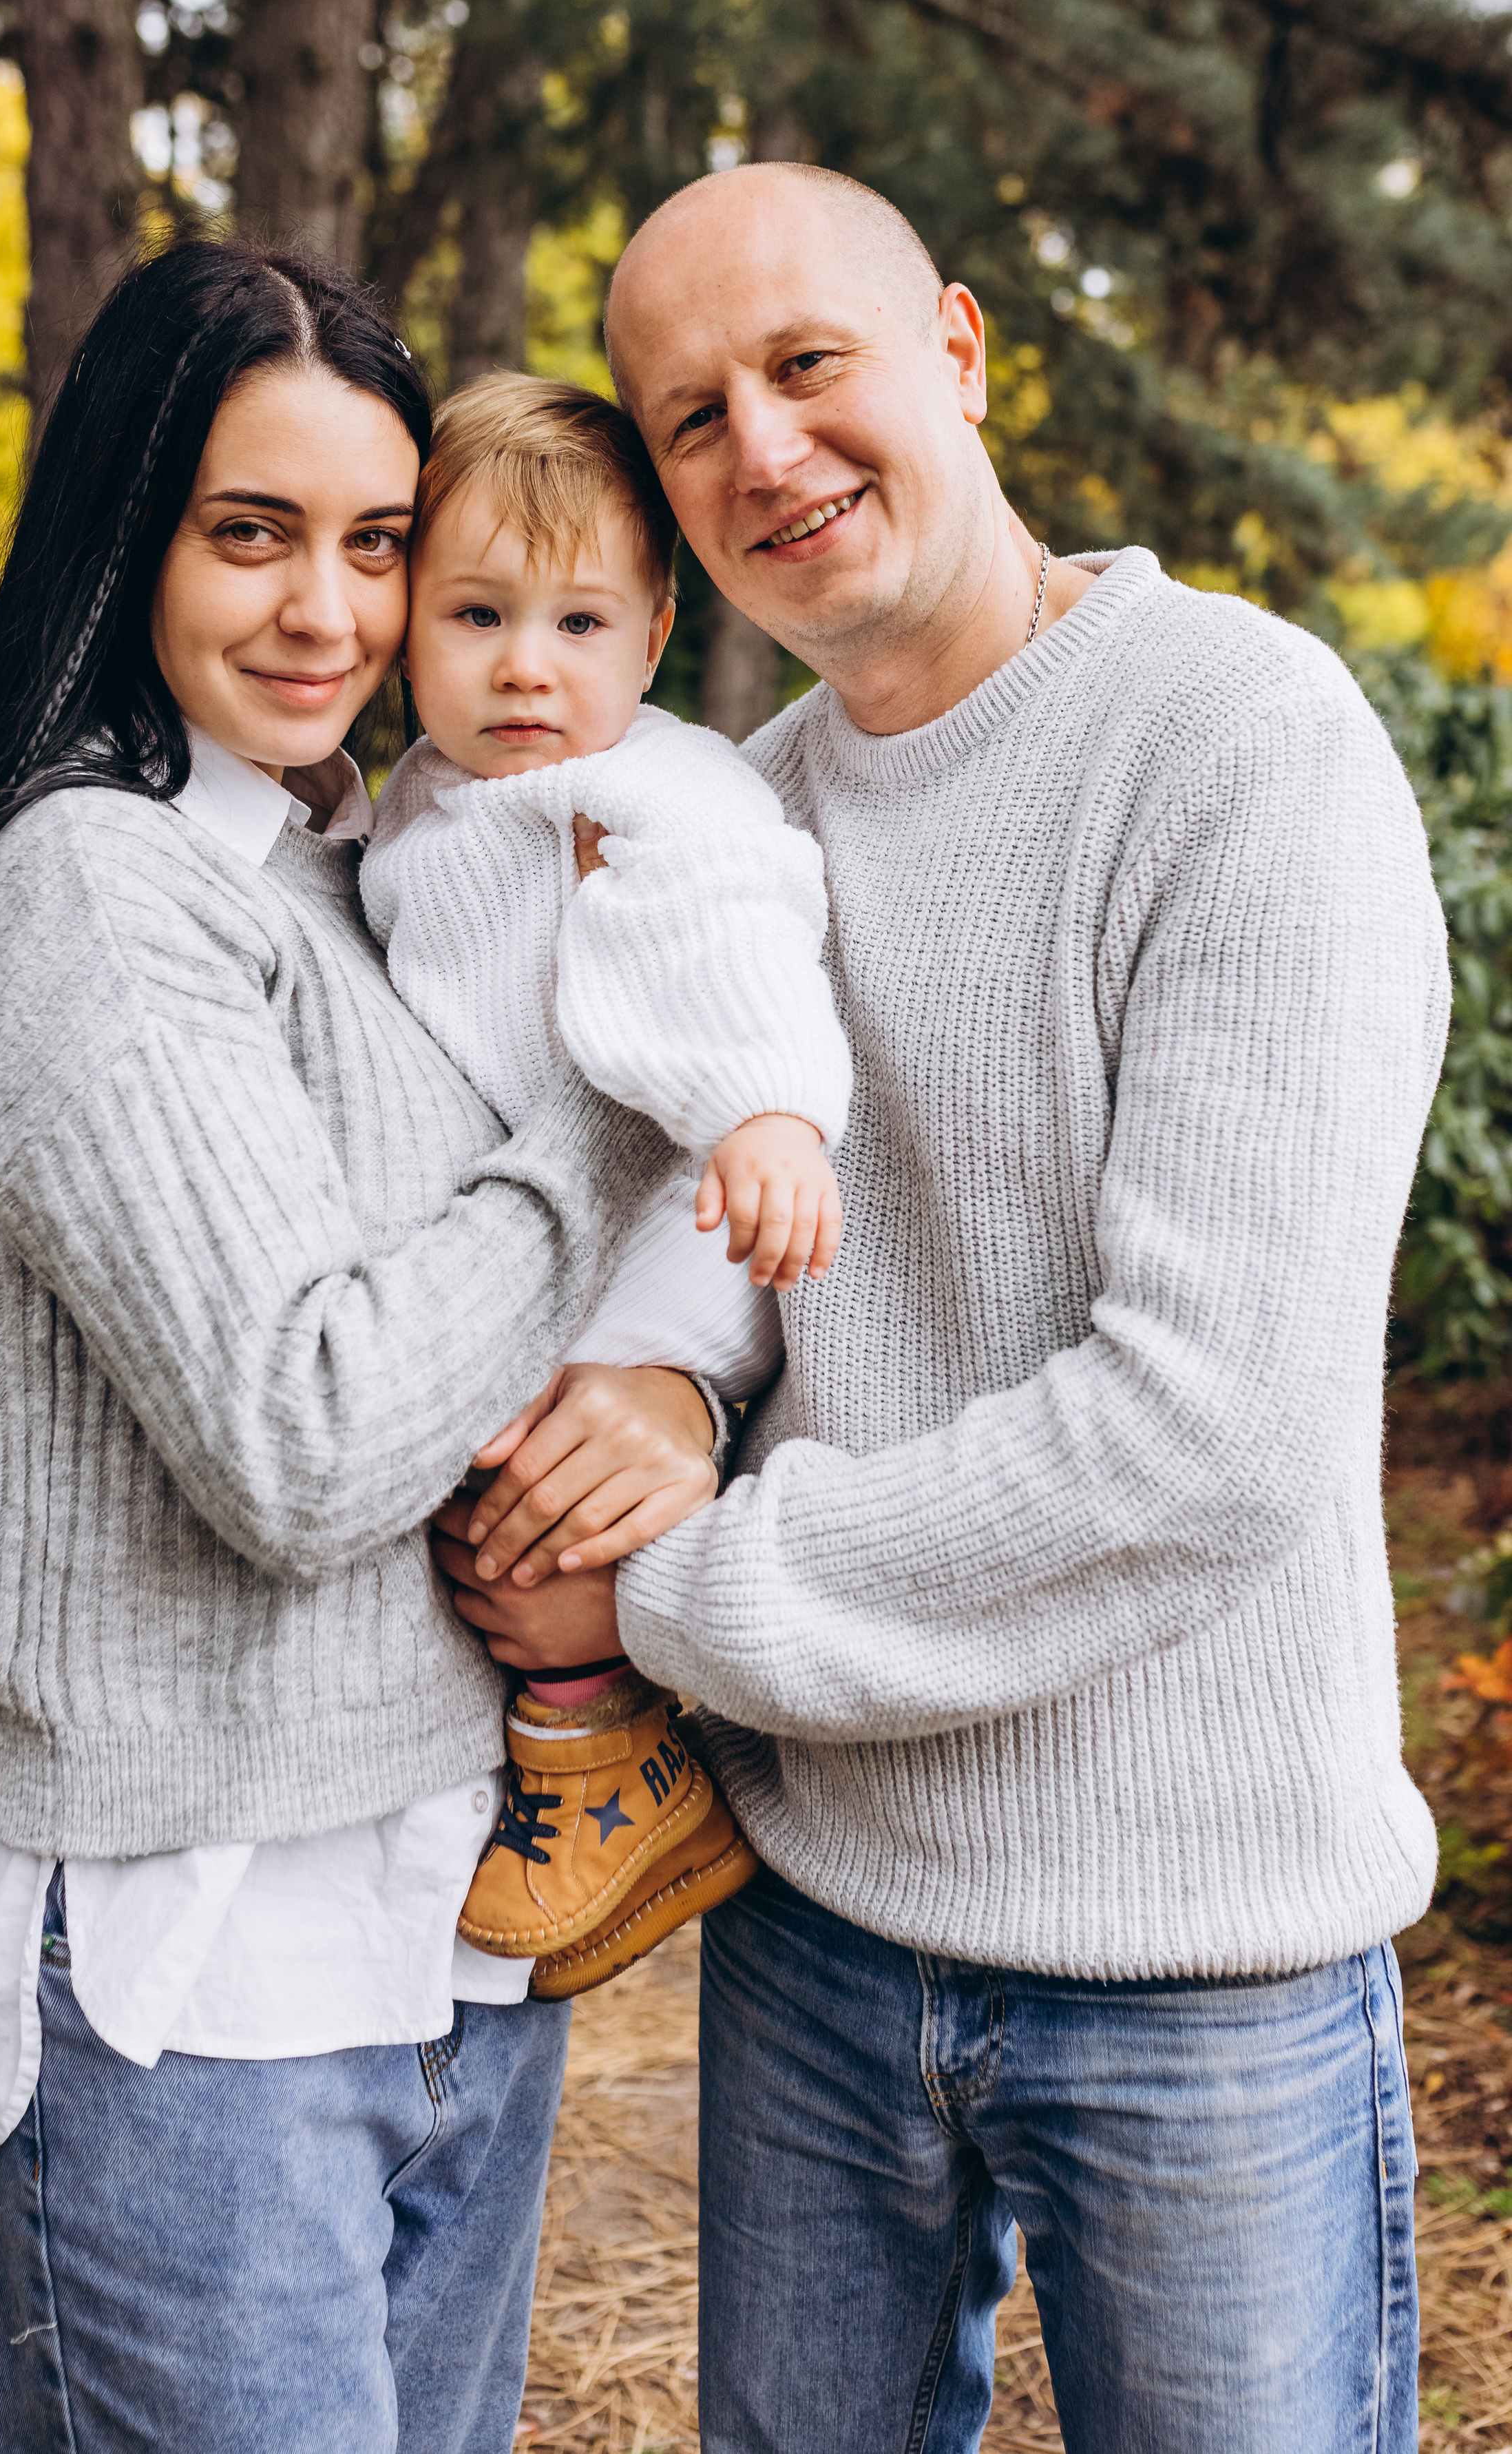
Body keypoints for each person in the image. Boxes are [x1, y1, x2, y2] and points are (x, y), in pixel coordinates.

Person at [441, 165, 1449, 2453]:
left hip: (1206, 1958)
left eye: (807, 366)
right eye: (691, 418)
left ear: (963, 353)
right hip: (816, 1927)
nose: (763, 451)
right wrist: (659, 1389)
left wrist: (674, 1580)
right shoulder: (725, 826)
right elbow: (686, 1261)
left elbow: (1205, 1431)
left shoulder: (1241, 746)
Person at [0, 238, 726, 2454]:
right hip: (198, 1982)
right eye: (251, 532)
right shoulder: (94, 892)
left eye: (378, 544)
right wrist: (611, 1090)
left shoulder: (347, 872)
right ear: (132, 533)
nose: (326, 610)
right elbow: (304, 1434)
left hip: (450, 1933)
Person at [359, 371, 852, 1996]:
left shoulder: (647, 786)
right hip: (540, 1229)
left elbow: (726, 923)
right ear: (404, 624)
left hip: (681, 1230)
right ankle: (578, 1751)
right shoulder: (417, 803)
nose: (521, 665)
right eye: (477, 614)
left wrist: (764, 1108)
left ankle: (615, 1777)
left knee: (552, 1498)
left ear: (647, 643)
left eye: (576, 625)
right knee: (496, 1483)